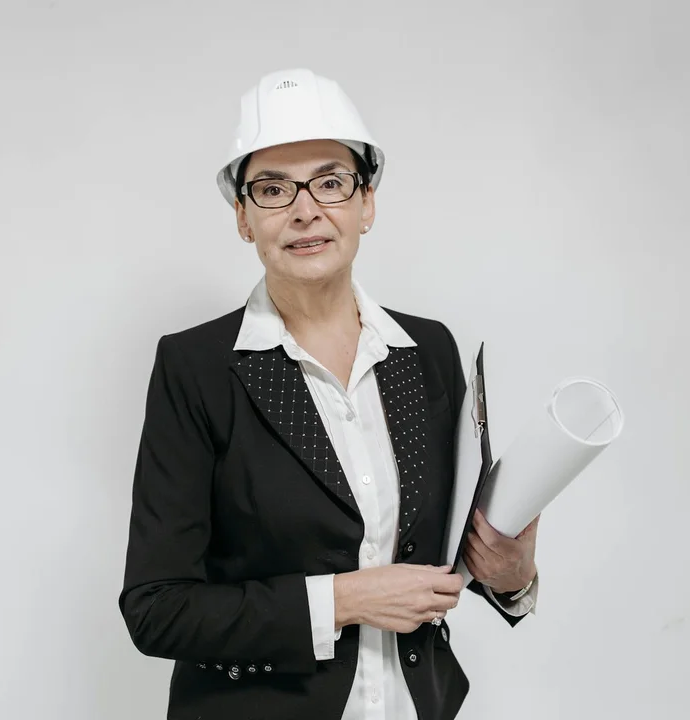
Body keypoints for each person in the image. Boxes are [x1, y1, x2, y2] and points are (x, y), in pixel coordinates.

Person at [119, 68, 541, 720]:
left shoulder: (427, 353)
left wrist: (511, 575)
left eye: (331, 182)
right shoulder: (197, 367)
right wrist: (343, 601)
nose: (305, 209)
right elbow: (158, 608)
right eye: (272, 189)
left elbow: (448, 560)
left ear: (366, 203)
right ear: (242, 217)